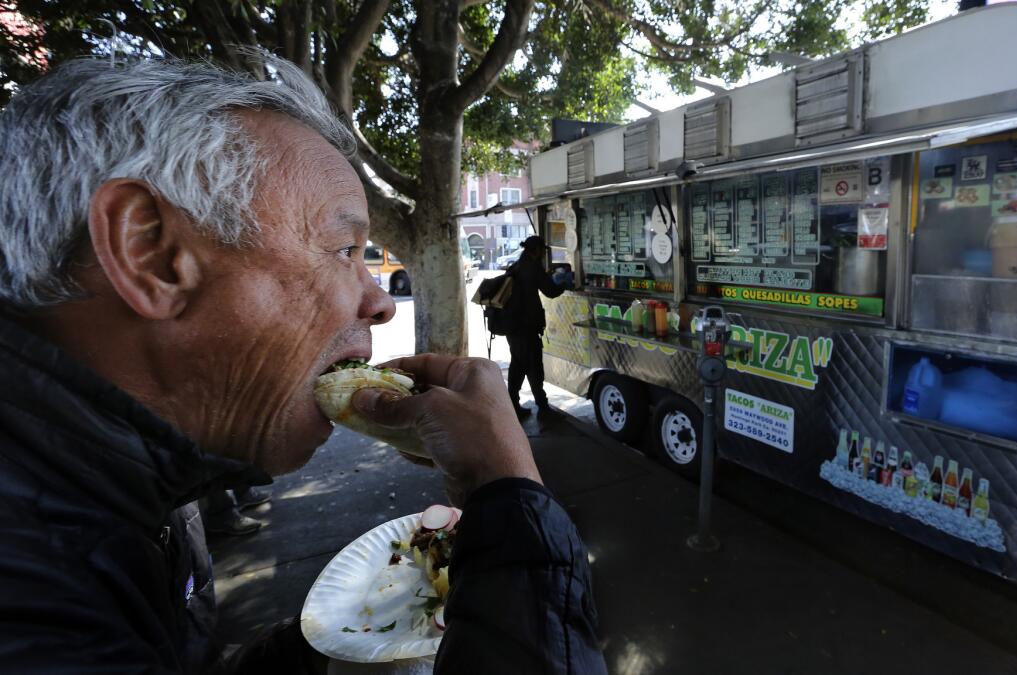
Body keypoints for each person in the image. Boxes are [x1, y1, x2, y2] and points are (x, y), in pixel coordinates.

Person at [0, 54, 605, 674]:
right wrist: (510, 499)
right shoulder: (31, 601)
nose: (378, 303)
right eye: (344, 248)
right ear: (149, 253)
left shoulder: (132, 490)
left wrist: (332, 648)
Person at [504, 235, 565, 417]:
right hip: (526, 328)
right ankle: (540, 407)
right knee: (531, 367)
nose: (543, 254)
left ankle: (516, 405)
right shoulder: (532, 267)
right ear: (536, 250)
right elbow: (551, 291)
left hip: (513, 327)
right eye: (542, 250)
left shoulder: (516, 265)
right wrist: (565, 283)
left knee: (520, 364)